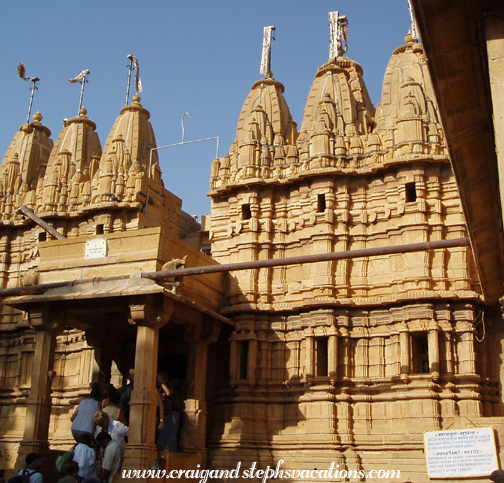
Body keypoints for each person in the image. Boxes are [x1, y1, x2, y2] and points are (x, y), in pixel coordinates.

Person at [156, 371, 180, 454]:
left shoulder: (169, 387)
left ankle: (170, 454)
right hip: (157, 415)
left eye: (162, 378)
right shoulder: (157, 389)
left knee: (166, 436)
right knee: (157, 438)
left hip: (166, 415)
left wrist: (162, 384)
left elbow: (168, 393)